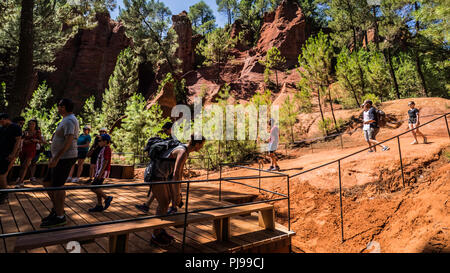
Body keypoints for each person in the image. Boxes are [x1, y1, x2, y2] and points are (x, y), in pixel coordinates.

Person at [136, 134, 205, 247]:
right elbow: (176, 174)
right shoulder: (182, 152)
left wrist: (176, 195)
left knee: (166, 201)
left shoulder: (184, 150)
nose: (202, 147)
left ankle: (159, 230)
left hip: (161, 175)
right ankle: (155, 236)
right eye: (201, 145)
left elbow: (179, 174)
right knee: (163, 203)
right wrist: (177, 195)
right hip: (154, 175)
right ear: (197, 144)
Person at [40, 99, 79, 228]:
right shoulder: (66, 119)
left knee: (58, 186)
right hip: (60, 158)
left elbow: (68, 142)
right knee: (47, 182)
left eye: (59, 105)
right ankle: (57, 209)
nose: (57, 107)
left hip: (65, 158)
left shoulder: (69, 120)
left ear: (65, 107)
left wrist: (56, 157)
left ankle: (60, 217)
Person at [0, 113, 22, 204]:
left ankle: (4, 195)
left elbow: (18, 142)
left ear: (5, 119)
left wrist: (13, 154)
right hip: (1, 154)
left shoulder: (15, 127)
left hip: (7, 155)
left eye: (1, 120)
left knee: (2, 174)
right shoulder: (2, 128)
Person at [88, 134, 113, 212]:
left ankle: (107, 198)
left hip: (101, 172)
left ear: (105, 141)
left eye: (100, 140)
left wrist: (99, 174)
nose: (98, 142)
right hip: (99, 172)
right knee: (97, 188)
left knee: (93, 187)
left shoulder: (107, 149)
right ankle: (99, 205)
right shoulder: (103, 148)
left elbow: (105, 162)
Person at [15, 119, 42, 188]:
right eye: (30, 124)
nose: (31, 125)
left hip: (31, 150)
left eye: (33, 124)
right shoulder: (25, 132)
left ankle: (20, 181)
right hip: (23, 149)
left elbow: (42, 141)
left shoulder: (37, 132)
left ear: (35, 125)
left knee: (25, 165)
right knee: (22, 165)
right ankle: (21, 179)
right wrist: (25, 141)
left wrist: (36, 140)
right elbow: (20, 140)